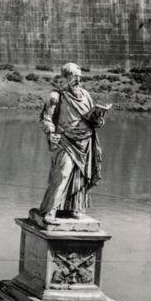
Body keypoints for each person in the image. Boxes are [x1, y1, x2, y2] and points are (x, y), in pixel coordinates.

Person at [36, 62, 109, 222]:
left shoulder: (86, 95)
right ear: (66, 77)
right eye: (74, 76)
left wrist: (99, 120)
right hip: (66, 141)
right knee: (62, 174)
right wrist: (50, 132)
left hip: (86, 142)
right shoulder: (56, 96)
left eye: (79, 77)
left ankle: (75, 208)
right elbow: (45, 118)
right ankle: (49, 210)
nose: (78, 80)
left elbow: (93, 121)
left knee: (81, 177)